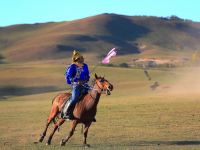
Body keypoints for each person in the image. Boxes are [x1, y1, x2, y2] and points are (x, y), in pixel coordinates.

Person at [62, 50, 90, 120]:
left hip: (85, 84)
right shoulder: (72, 67)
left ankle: (90, 114)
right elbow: (69, 76)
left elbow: (87, 74)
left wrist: (86, 79)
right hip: (76, 86)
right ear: (77, 59)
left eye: (82, 58)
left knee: (91, 97)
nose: (83, 59)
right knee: (74, 98)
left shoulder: (85, 65)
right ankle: (67, 113)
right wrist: (76, 82)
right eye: (81, 58)